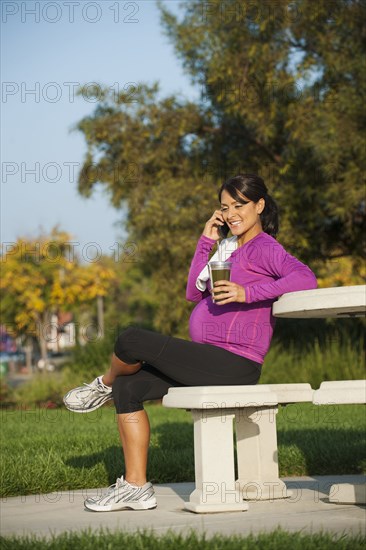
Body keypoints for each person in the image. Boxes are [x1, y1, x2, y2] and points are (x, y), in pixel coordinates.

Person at [63, 173, 317, 512]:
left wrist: (248, 292)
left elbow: (306, 278)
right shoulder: (227, 249)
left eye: (239, 205)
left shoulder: (264, 247)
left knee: (130, 340)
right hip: (209, 359)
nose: (231, 213)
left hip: (235, 363)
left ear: (259, 205)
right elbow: (192, 293)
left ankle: (102, 385)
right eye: (225, 207)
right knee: (130, 388)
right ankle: (136, 486)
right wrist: (204, 241)